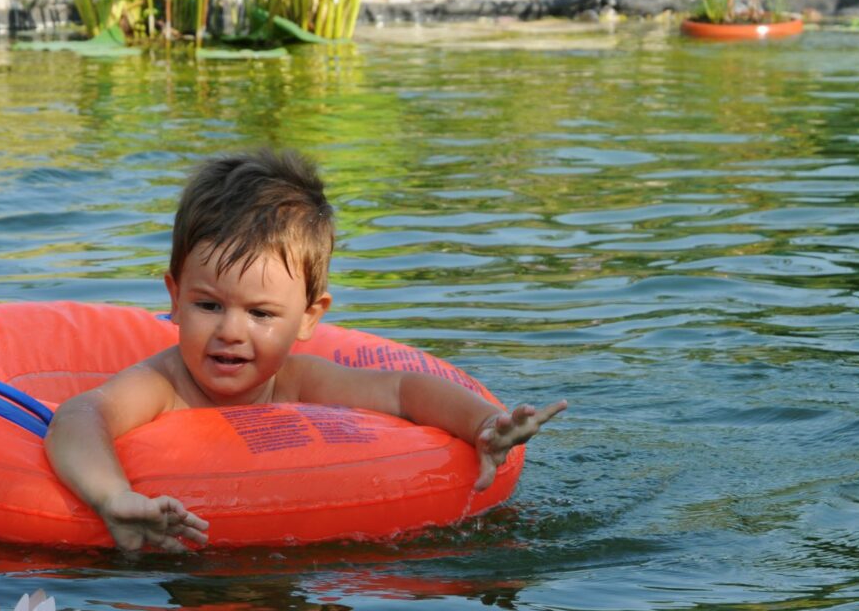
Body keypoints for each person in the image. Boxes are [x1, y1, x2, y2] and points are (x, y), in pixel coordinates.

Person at [44, 148, 567, 553]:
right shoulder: (163, 385)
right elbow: (82, 414)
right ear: (174, 298)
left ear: (309, 318)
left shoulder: (298, 381)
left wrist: (482, 425)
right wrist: (113, 496)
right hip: (180, 579)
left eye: (262, 314)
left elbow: (403, 391)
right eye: (208, 305)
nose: (231, 331)